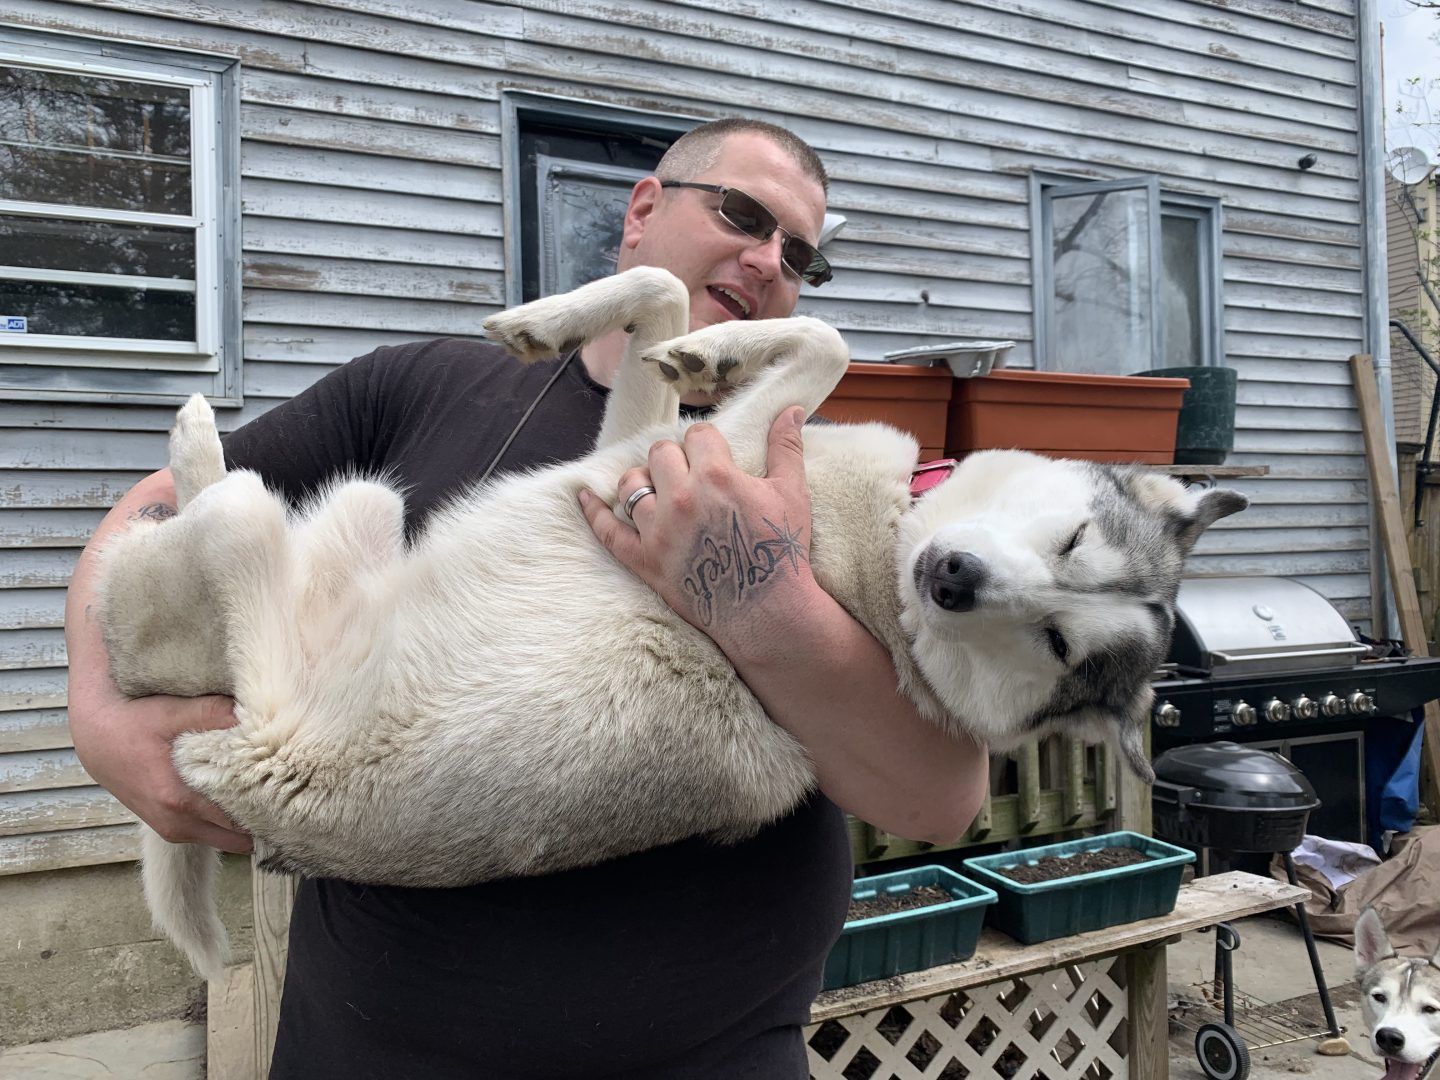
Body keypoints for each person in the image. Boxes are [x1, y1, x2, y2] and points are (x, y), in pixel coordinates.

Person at [64, 118, 989, 1078]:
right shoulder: (421, 386)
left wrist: (764, 602)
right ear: (642, 211)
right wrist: (97, 715)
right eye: (743, 215)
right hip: (379, 1043)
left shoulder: (805, 465)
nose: (767, 260)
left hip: (713, 1053)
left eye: (800, 255)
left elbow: (943, 799)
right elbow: (156, 506)